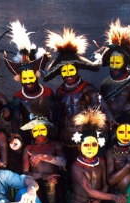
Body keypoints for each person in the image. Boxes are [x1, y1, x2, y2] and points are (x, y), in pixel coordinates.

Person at [44, 27, 105, 166]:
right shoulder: (59, 91)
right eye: (64, 71)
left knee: (84, 163)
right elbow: (58, 113)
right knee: (68, 163)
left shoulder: (88, 88)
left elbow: (97, 110)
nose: (68, 74)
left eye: (71, 70)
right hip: (64, 135)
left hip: (83, 135)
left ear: (77, 69)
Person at [69, 108, 126, 203]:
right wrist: (114, 197)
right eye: (86, 144)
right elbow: (88, 189)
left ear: (98, 145)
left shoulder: (101, 162)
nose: (90, 147)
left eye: (93, 144)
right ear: (79, 146)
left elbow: (105, 183)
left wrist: (99, 202)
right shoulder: (76, 166)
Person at [96, 19, 130, 141]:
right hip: (110, 126)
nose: (114, 65)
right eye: (112, 62)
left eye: (117, 62)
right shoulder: (105, 83)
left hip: (129, 128)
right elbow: (100, 101)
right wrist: (107, 116)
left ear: (125, 63)